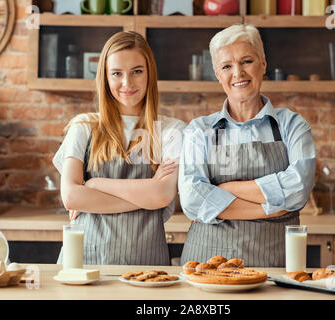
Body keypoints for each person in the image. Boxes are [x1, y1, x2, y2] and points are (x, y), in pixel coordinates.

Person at [179, 24, 316, 267]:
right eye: (227, 66)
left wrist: (224, 188)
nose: (238, 73)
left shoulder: (292, 125)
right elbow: (192, 200)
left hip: (274, 266)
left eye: (246, 61)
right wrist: (272, 209)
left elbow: (298, 189)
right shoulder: (199, 131)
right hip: (207, 267)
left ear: (263, 64)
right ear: (217, 74)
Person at [53, 31, 186, 265]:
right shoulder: (83, 127)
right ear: (105, 77)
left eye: (137, 71)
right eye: (117, 73)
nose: (127, 83)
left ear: (149, 74)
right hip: (85, 263)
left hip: (147, 266)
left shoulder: (171, 130)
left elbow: (163, 195)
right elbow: (71, 197)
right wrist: (148, 196)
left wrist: (94, 185)